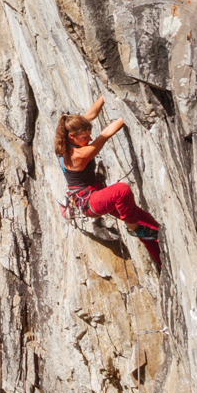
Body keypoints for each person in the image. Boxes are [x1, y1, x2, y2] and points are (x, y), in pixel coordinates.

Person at [54, 96, 162, 269]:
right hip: (90, 202)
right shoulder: (78, 155)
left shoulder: (65, 136)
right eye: (85, 137)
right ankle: (132, 227)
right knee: (121, 190)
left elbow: (90, 114)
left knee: (149, 224)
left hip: (97, 194)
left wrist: (105, 95)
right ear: (72, 137)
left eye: (89, 134)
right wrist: (128, 111)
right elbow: (104, 136)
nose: (88, 139)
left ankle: (161, 261)